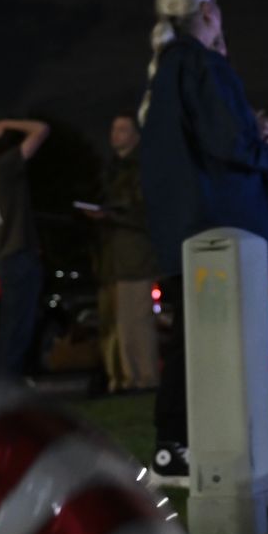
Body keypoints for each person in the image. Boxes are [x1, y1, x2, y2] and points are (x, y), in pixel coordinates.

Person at [136, 0, 268, 477]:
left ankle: (204, 441)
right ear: (209, 12)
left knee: (198, 339)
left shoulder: (169, 70)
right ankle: (180, 443)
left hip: (189, 227)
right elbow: (226, 146)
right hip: (225, 228)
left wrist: (254, 126)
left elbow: (204, 138)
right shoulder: (204, 65)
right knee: (236, 338)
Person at [88, 115, 159, 392]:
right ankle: (127, 378)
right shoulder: (113, 169)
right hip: (113, 257)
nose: (115, 134)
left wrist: (110, 214)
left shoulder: (141, 168)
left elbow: (143, 211)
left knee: (137, 321)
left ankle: (146, 377)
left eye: (123, 129)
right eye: (113, 128)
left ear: (136, 136)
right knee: (120, 323)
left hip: (134, 255)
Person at [0, 117, 50, 375]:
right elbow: (42, 130)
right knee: (19, 326)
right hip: (18, 255)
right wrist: (6, 123)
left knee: (9, 325)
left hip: (7, 256)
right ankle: (4, 385)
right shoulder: (6, 166)